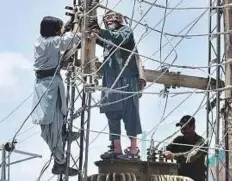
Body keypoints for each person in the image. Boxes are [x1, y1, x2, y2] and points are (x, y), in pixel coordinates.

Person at [89, 11, 146, 160]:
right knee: (112, 113)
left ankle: (133, 150)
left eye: (111, 21)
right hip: (111, 80)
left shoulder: (125, 31)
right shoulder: (108, 36)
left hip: (127, 79)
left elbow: (117, 37)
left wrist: (101, 32)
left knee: (130, 113)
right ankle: (116, 149)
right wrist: (93, 29)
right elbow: (104, 38)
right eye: (106, 22)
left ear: (118, 21)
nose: (108, 23)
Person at [31, 16, 81, 175]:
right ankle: (60, 163)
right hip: (48, 87)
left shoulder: (42, 40)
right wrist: (85, 28)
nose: (61, 31)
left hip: (50, 83)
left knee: (60, 113)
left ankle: (63, 133)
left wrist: (67, 26)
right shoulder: (51, 43)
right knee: (52, 123)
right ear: (53, 31)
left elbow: (61, 36)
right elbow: (72, 38)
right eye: (58, 29)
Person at [164, 115, 207, 181]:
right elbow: (166, 148)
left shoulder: (201, 142)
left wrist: (173, 155)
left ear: (193, 127)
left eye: (185, 128)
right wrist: (165, 152)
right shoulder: (178, 140)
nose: (183, 131)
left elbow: (190, 156)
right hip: (181, 178)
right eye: (181, 128)